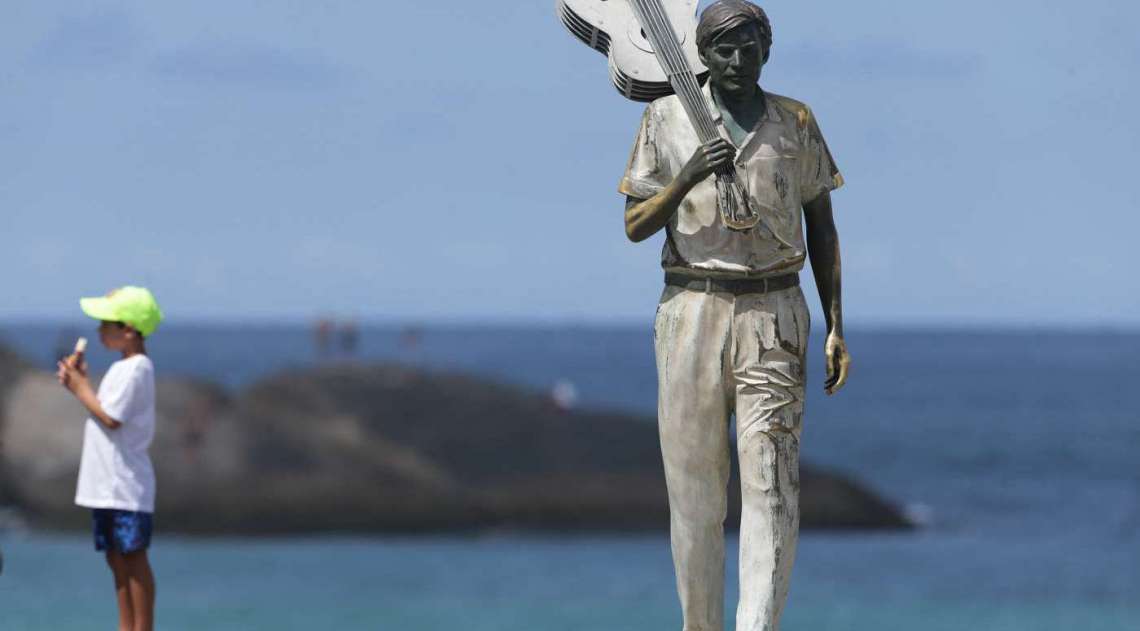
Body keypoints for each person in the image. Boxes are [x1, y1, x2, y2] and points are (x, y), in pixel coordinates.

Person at [620, 2, 851, 629]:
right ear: (702, 55)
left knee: (771, 486)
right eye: (724, 50)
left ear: (766, 51)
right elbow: (635, 224)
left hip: (774, 309)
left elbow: (822, 225)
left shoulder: (794, 121)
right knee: (694, 495)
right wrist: (688, 174)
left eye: (749, 48)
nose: (738, 61)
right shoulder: (665, 118)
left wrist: (835, 324)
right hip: (690, 310)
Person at [57, 286, 163, 631]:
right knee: (116, 559)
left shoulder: (138, 368)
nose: (100, 331)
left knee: (133, 558)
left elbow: (111, 418)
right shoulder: (123, 368)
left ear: (129, 329)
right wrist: (83, 383)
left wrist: (78, 387)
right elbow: (106, 410)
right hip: (106, 482)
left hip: (124, 483)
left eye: (107, 323)